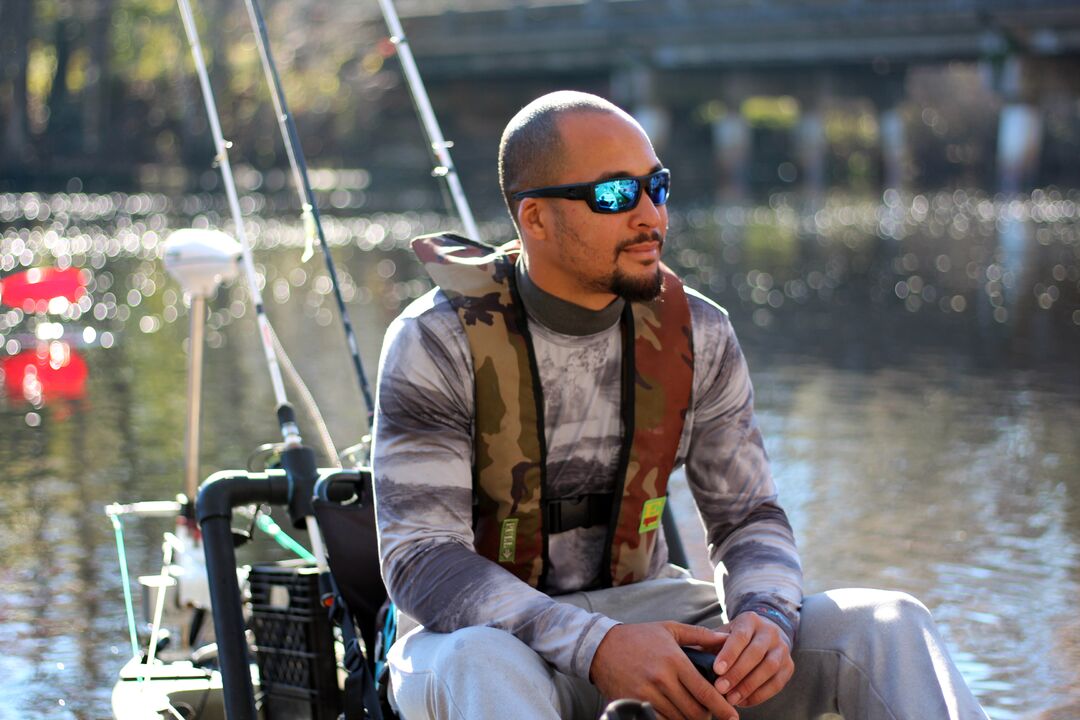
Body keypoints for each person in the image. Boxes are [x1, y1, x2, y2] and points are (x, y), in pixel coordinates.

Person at [371, 90, 988, 720]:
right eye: (614, 195)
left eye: (656, 186)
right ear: (535, 219)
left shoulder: (701, 331)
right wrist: (595, 645)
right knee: (484, 666)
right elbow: (423, 561)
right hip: (482, 642)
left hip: (654, 615)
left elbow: (748, 517)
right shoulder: (434, 340)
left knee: (888, 624)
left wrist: (765, 619)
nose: (650, 216)